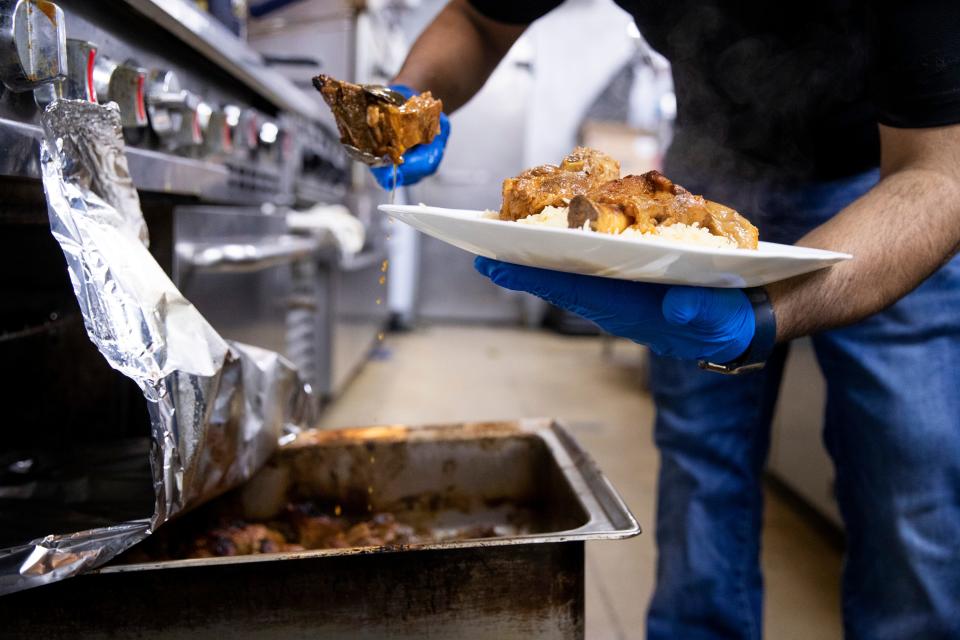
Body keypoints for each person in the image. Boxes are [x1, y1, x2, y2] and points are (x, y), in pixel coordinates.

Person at [370, 1, 960, 638]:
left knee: (911, 474)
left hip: (882, 185)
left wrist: (765, 313)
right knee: (701, 462)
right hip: (707, 176)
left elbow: (941, 172)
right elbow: (481, 20)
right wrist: (409, 99)